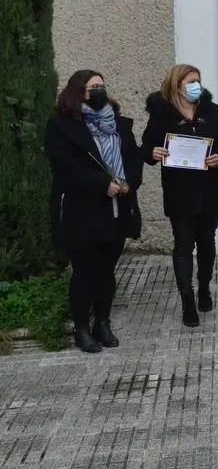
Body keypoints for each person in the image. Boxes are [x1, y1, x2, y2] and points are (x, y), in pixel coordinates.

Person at [44, 70, 143, 353]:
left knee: (106, 271)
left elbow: (132, 158)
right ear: (78, 92)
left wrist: (128, 182)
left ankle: (103, 321)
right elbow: (65, 167)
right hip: (82, 211)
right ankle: (82, 328)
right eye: (92, 87)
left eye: (101, 86)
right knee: (85, 272)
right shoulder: (61, 126)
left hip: (117, 209)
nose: (99, 90)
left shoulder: (119, 124)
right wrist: (102, 184)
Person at [141, 64, 218, 327]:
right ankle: (187, 299)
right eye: (191, 81)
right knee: (183, 244)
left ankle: (203, 288)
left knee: (207, 242)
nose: (196, 86)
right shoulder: (161, 114)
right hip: (180, 192)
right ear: (177, 84)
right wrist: (152, 152)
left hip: (209, 189)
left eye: (199, 81)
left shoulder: (211, 111)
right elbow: (147, 146)